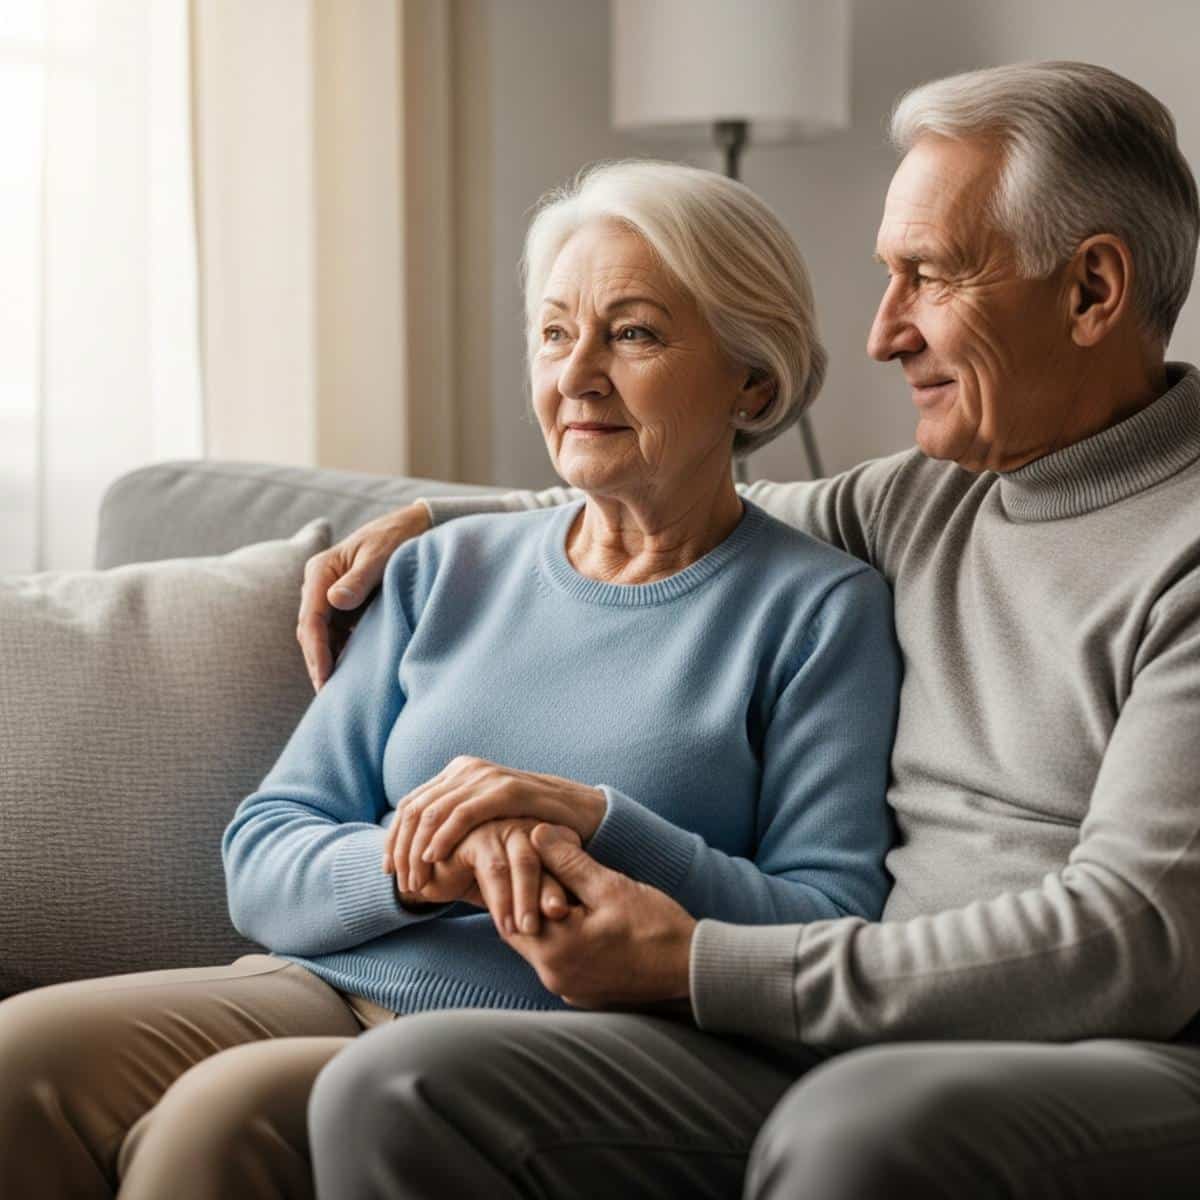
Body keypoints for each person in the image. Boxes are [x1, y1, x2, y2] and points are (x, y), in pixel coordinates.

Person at [300, 61, 1200, 1200]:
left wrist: (703, 963)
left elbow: (1132, 943)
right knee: (402, 1084)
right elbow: (673, 490)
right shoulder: (925, 500)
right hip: (837, 1032)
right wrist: (434, 529)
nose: (882, 335)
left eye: (926, 277)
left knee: (860, 1131)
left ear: (1091, 291)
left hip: (1107, 1057)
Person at [0, 163, 902, 1200]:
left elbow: (831, 923)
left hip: (544, 1040)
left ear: (754, 381)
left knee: (214, 1125)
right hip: (328, 984)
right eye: (556, 334)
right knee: (19, 1059)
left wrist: (593, 825)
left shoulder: (819, 611)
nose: (579, 376)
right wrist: (430, 861)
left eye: (635, 334)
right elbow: (263, 850)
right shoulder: (442, 570)